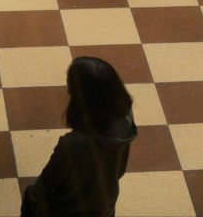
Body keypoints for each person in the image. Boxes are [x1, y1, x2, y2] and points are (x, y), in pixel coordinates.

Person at [21, 57, 138, 217]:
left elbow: (47, 183)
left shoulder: (73, 144)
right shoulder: (126, 118)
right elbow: (120, 171)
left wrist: (31, 198)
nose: (68, 90)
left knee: (31, 192)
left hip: (67, 210)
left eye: (71, 87)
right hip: (105, 204)